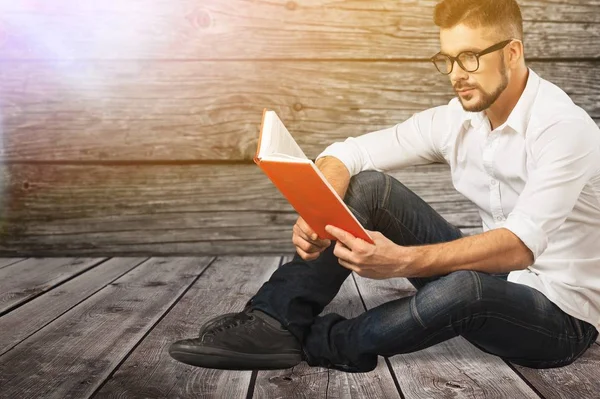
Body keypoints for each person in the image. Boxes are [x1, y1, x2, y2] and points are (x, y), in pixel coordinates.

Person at [168, 0, 600, 372]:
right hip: (500, 276)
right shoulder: (458, 119)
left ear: (512, 52)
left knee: (466, 288)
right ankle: (272, 319)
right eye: (447, 59)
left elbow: (519, 247)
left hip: (562, 319)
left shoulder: (562, 128)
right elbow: (349, 152)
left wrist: (402, 262)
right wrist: (322, 202)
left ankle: (319, 341)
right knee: (370, 187)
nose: (455, 74)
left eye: (469, 57)